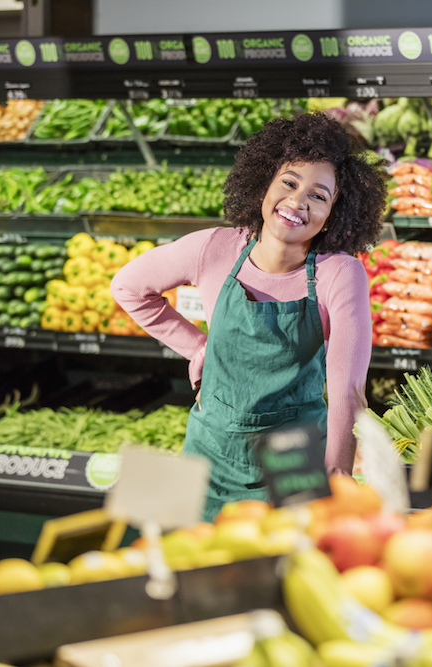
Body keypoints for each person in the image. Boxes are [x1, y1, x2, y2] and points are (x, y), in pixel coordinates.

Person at [111, 112, 387, 520]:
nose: (297, 202)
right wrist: (199, 346)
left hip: (293, 457)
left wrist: (338, 474)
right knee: (195, 562)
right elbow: (128, 287)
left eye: (319, 195)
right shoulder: (213, 249)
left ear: (335, 212)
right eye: (289, 183)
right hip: (212, 449)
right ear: (265, 182)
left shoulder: (339, 273)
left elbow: (347, 390)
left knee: (287, 570)